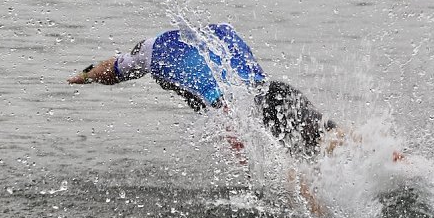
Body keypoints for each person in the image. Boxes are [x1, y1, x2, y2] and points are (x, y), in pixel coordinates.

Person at [67, 23, 336, 158]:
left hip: (239, 110)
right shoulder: (222, 30)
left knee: (294, 174)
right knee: (333, 138)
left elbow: (112, 70)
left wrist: (85, 76)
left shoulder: (153, 51)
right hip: (277, 93)